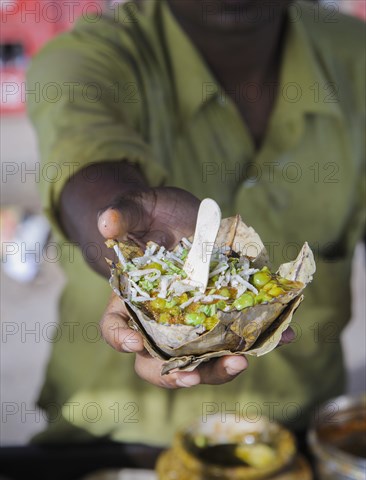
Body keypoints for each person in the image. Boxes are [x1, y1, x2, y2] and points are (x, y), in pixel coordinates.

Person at [27, 0, 365, 445]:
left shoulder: (353, 57)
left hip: (296, 435)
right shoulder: (87, 58)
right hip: (114, 442)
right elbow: (88, 169)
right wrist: (127, 231)